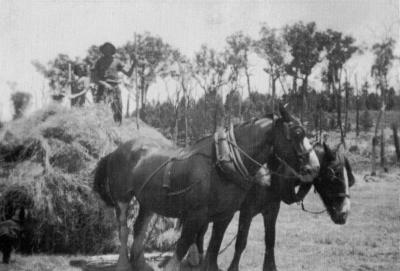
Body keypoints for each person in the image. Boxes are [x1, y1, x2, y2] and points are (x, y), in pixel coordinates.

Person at [92, 42, 135, 124]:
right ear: (103, 51)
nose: (107, 51)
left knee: (118, 109)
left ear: (112, 50)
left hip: (115, 87)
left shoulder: (117, 61)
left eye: (109, 49)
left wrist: (134, 65)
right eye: (105, 49)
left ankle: (118, 127)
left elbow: (128, 74)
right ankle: (100, 129)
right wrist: (104, 84)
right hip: (103, 87)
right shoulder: (99, 62)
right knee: (100, 109)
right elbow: (94, 78)